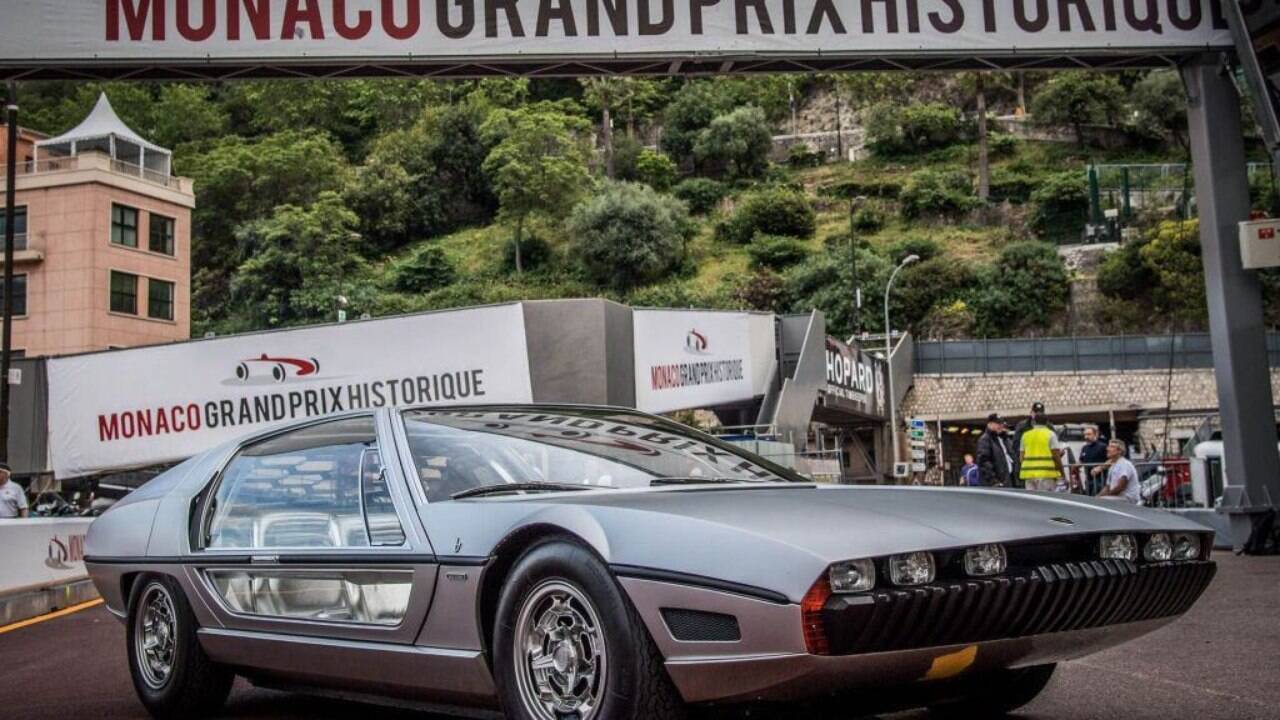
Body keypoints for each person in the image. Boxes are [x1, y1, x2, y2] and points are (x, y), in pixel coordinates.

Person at [1018, 406, 1065, 492]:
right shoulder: (1050, 434)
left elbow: (1021, 458)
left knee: (1033, 503)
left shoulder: (1025, 436)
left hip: (1029, 475)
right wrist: (1062, 475)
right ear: (1047, 422)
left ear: (1033, 422)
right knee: (1046, 502)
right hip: (1046, 475)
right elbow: (1056, 457)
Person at [1096, 439, 1142, 504]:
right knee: (1098, 500)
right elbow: (1107, 487)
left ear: (1119, 451)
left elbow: (1120, 487)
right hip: (1118, 497)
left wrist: (1105, 495)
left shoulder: (1124, 464)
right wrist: (1097, 497)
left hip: (1128, 498)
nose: (1107, 449)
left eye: (1112, 447)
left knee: (1101, 502)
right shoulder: (1113, 466)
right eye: (1108, 446)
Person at [976, 414, 1015, 487]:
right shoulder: (985, 440)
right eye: (998, 424)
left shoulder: (1004, 439)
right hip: (996, 484)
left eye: (1001, 424)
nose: (1000, 426)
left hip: (1007, 480)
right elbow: (984, 462)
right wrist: (993, 481)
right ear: (989, 424)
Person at [1078, 425, 1109, 495]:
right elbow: (1081, 460)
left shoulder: (1103, 446)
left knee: (1097, 499)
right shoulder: (1084, 448)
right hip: (1088, 480)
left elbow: (1111, 460)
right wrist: (1074, 466)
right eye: (1085, 435)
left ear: (1096, 434)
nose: (1086, 437)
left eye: (1089, 434)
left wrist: (1100, 468)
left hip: (1100, 480)